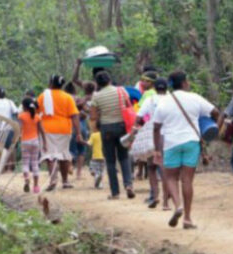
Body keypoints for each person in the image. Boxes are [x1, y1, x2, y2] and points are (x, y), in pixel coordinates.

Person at [152, 71, 220, 229]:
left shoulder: (163, 102)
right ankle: (188, 218)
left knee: (170, 178)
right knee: (187, 180)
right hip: (191, 142)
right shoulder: (195, 98)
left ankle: (178, 206)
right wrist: (212, 127)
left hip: (171, 143)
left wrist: (156, 149)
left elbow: (156, 127)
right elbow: (215, 112)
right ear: (184, 83)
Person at [89, 71, 135, 199]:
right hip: (121, 127)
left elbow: (93, 116)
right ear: (110, 79)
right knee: (124, 157)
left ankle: (115, 192)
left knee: (110, 161)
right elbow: (127, 106)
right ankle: (128, 185)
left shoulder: (96, 96)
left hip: (106, 129)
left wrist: (100, 115)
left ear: (97, 83)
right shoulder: (121, 91)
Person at [131, 77, 168, 209]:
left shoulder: (150, 99)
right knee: (165, 167)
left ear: (155, 88)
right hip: (170, 136)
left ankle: (156, 196)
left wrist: (135, 129)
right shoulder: (171, 100)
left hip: (154, 136)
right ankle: (166, 199)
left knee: (152, 167)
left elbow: (139, 117)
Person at [40, 75, 82, 191]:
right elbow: (75, 115)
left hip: (47, 129)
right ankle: (65, 181)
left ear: (51, 83)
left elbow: (36, 112)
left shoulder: (43, 96)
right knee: (63, 155)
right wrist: (78, 133)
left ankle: (53, 180)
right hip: (64, 129)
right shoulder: (68, 97)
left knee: (50, 155)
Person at [18, 97, 47, 193]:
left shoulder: (21, 116)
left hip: (25, 142)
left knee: (25, 162)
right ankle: (36, 186)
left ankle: (26, 178)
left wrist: (17, 138)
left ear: (24, 107)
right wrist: (45, 143)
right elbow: (42, 131)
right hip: (35, 142)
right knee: (35, 163)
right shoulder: (37, 116)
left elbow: (20, 129)